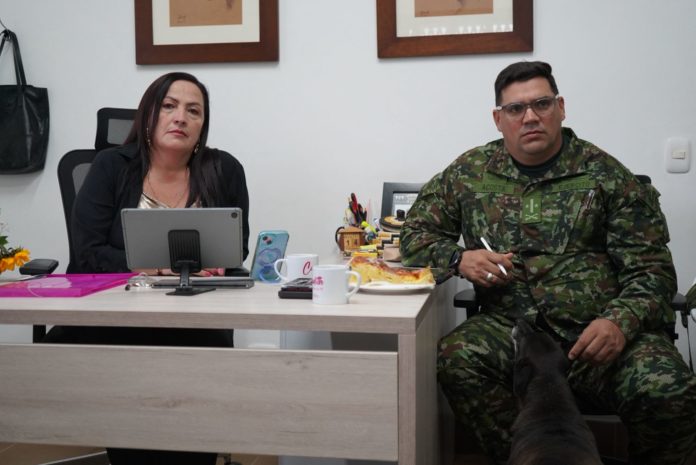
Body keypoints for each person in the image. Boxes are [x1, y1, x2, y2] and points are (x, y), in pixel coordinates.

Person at [400, 61, 696, 465]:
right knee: (458, 358)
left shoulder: (606, 175)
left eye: (541, 104)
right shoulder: (469, 174)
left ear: (560, 108)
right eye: (515, 109)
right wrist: (458, 258)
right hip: (514, 333)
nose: (530, 117)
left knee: (669, 388)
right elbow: (414, 235)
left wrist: (619, 322)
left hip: (599, 336)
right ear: (498, 119)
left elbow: (653, 271)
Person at [44, 72, 250, 465]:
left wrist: (219, 266)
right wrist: (150, 266)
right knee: (132, 415)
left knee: (196, 410)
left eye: (194, 111)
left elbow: (236, 248)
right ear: (149, 115)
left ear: (203, 125)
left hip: (195, 315)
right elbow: (86, 254)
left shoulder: (224, 169)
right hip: (119, 316)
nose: (181, 117)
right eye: (169, 106)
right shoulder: (110, 166)